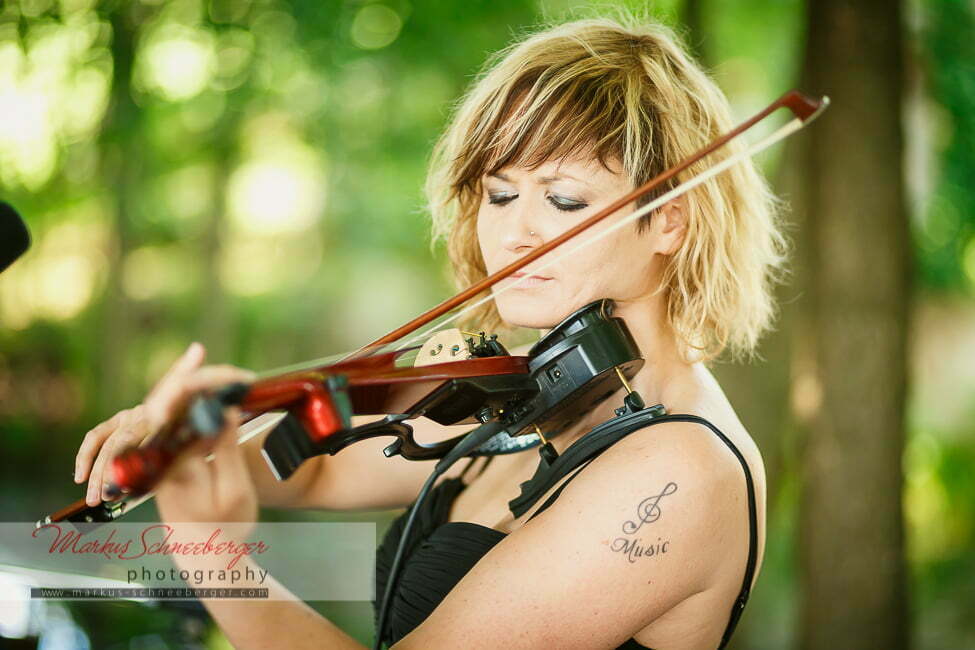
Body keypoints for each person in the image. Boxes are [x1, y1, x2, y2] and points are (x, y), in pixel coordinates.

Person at [72, 15, 784, 650]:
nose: (514, 232)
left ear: (669, 219)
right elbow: (313, 466)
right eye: (499, 194)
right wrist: (186, 446)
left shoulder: (674, 473)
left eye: (564, 200)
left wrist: (214, 555)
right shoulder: (525, 394)